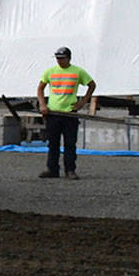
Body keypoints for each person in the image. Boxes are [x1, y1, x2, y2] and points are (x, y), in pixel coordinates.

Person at [35, 46, 95, 179]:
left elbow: (91, 85)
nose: (59, 61)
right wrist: (43, 104)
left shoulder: (77, 71)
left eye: (62, 58)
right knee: (53, 143)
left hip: (70, 113)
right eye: (57, 58)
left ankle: (70, 170)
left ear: (69, 58)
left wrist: (83, 102)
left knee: (69, 143)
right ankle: (52, 169)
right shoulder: (50, 72)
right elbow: (40, 88)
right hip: (53, 113)